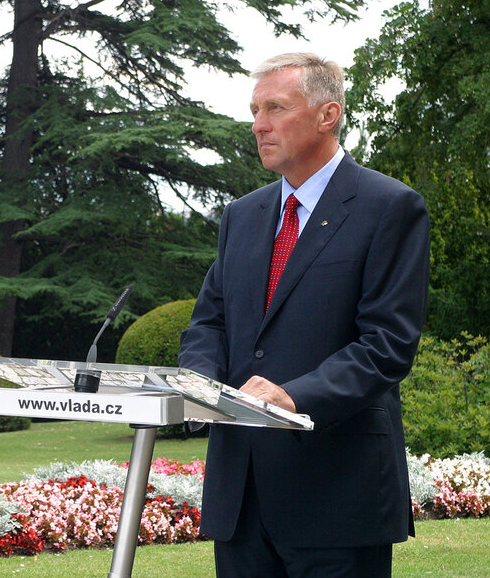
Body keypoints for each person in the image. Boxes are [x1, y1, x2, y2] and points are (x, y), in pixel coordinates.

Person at [179, 53, 429, 578]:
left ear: (327, 115)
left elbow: (387, 343)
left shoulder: (390, 207)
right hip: (241, 496)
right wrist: (198, 384)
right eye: (254, 111)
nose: (259, 125)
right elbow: (210, 321)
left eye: (275, 107)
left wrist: (293, 396)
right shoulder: (241, 216)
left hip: (338, 496)